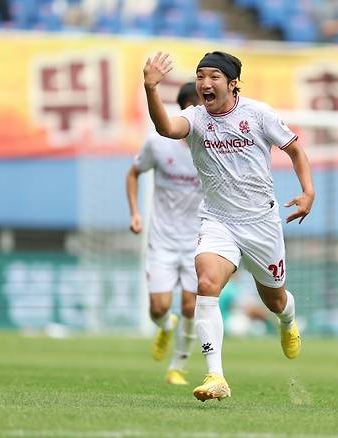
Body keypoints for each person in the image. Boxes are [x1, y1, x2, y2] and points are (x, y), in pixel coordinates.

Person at [142, 51, 315, 401]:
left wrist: (308, 192)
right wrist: (150, 88)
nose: (205, 83)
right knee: (206, 283)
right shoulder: (194, 118)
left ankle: (286, 321)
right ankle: (215, 375)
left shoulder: (258, 114)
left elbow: (296, 151)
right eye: (200, 76)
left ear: (233, 83)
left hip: (261, 224)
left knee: (276, 299)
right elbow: (166, 128)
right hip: (218, 220)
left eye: (213, 77)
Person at [126, 82, 202, 386]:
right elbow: (133, 173)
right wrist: (134, 212)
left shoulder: (215, 147)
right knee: (158, 308)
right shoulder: (158, 143)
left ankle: (178, 368)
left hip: (199, 240)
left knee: (191, 306)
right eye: (198, 106)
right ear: (185, 109)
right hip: (162, 241)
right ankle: (165, 326)